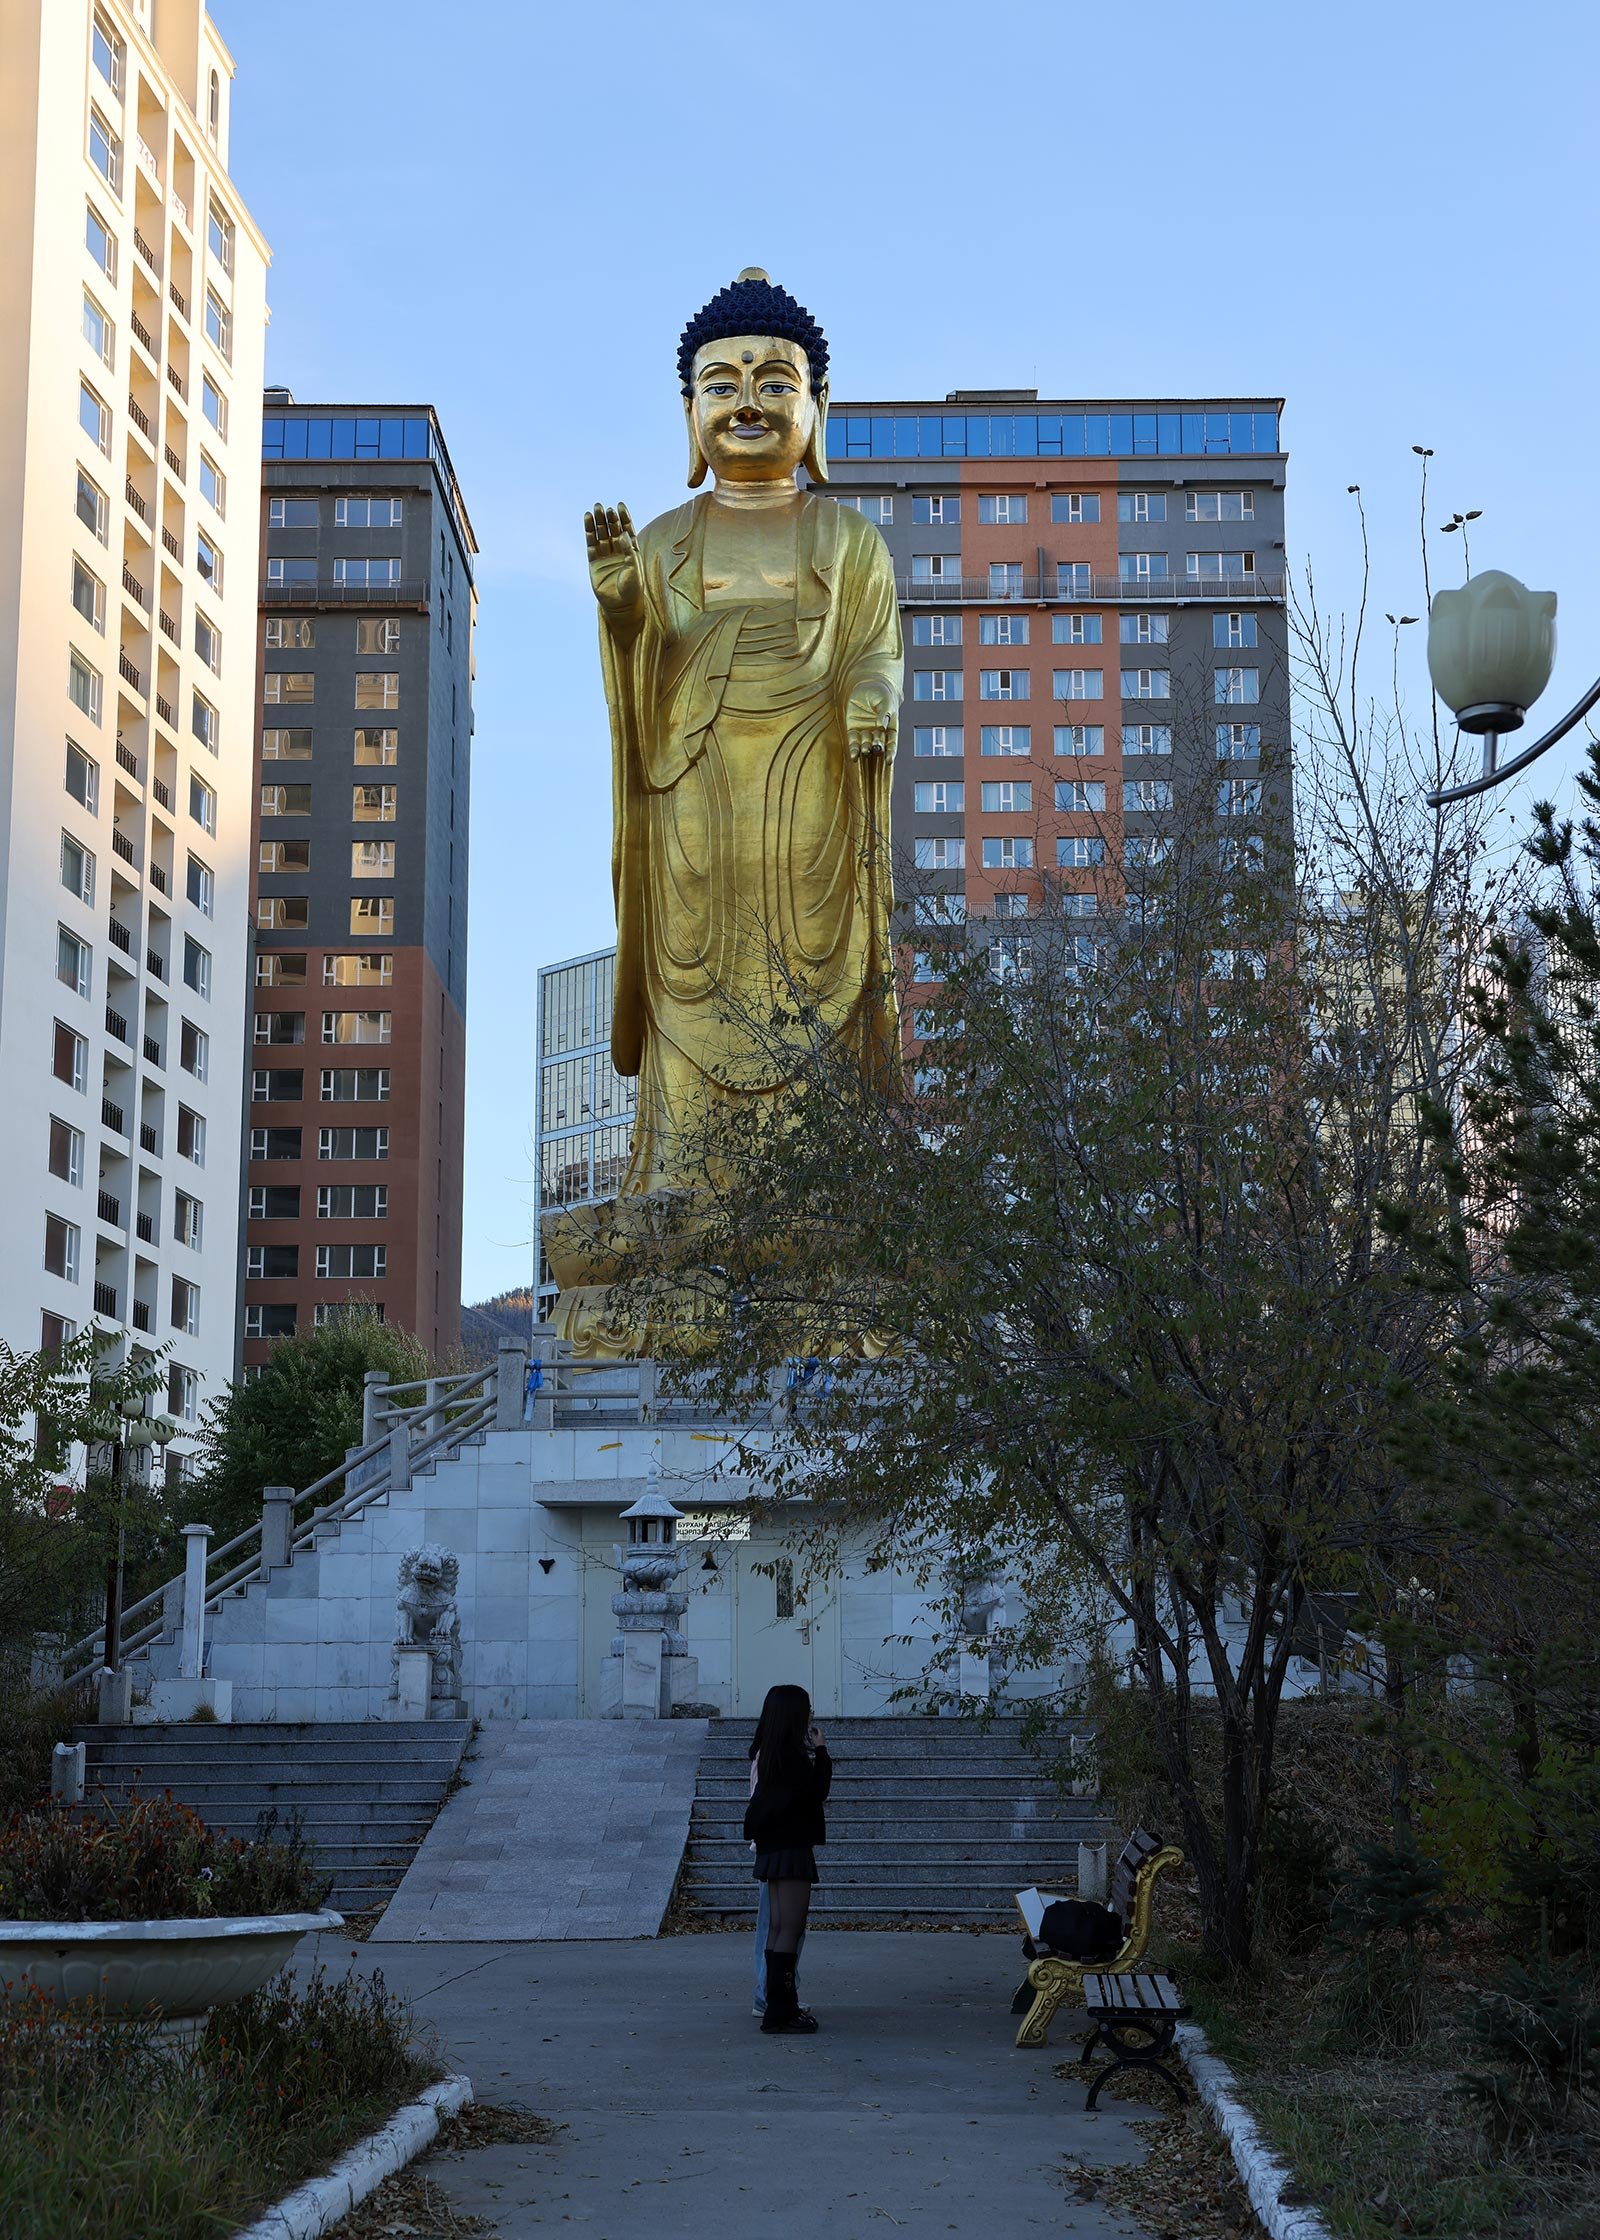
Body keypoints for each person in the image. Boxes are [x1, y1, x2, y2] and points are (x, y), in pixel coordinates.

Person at [743, 1682, 831, 2034]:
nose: (810, 1716)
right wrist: (822, 1751)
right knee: (789, 1931)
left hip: (773, 1849)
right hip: (792, 1850)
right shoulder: (791, 1758)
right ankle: (781, 2011)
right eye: (807, 1710)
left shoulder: (768, 1754)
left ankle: (777, 2007)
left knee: (777, 1929)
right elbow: (817, 1793)